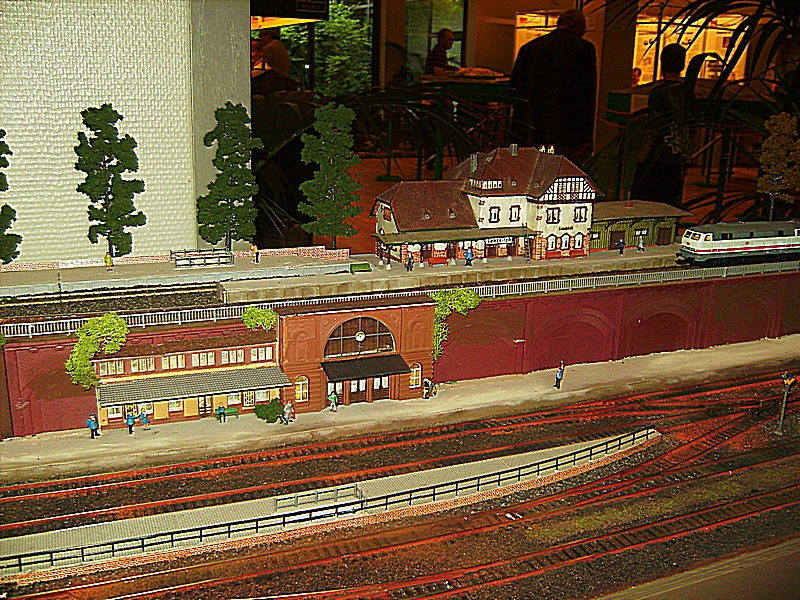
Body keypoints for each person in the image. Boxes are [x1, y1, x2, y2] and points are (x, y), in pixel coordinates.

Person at [509, 10, 597, 164]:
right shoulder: (583, 48)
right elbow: (585, 95)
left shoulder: (529, 48)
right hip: (566, 132)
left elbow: (515, 88)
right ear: (578, 27)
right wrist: (584, 137)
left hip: (531, 129)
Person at [630, 43, 689, 207]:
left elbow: (653, 128)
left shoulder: (659, 92)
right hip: (677, 158)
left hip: (657, 158)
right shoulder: (686, 92)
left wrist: (640, 160)